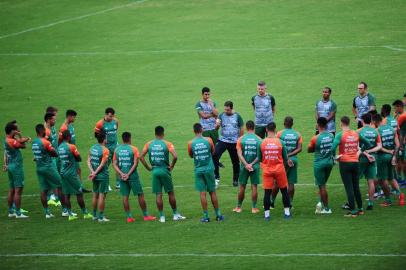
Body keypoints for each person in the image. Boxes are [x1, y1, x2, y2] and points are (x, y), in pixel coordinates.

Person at [140, 126, 186, 223]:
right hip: (165, 170)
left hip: (155, 171)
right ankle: (175, 214)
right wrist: (172, 166)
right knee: (170, 193)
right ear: (163, 133)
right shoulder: (167, 143)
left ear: (155, 133)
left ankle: (162, 217)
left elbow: (141, 157)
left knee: (158, 194)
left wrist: (148, 167)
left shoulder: (149, 144)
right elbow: (175, 156)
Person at [332, 116, 371, 217]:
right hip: (355, 162)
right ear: (348, 123)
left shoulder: (340, 135)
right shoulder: (355, 133)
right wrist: (360, 151)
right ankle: (361, 209)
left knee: (349, 187)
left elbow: (333, 148)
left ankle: (353, 211)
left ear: (341, 123)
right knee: (356, 186)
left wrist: (335, 157)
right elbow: (368, 143)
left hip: (345, 163)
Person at [112, 132, 156, 222]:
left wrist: (121, 173)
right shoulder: (134, 149)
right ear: (129, 138)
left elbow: (114, 164)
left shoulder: (117, 150)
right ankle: (146, 215)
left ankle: (129, 217)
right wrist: (128, 174)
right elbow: (135, 163)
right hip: (133, 176)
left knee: (125, 196)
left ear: (122, 139)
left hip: (122, 177)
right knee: (140, 194)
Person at [187, 123, 224, 222]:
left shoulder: (190, 143)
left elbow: (191, 155)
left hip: (198, 170)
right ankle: (218, 215)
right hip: (209, 169)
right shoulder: (209, 140)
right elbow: (213, 152)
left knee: (202, 193)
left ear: (194, 131)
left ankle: (206, 217)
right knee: (212, 192)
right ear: (202, 130)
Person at [260, 122, 293, 220]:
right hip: (279, 169)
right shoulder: (280, 142)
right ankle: (287, 213)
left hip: (267, 170)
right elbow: (285, 158)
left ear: (266, 129)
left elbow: (260, 158)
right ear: (275, 129)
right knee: (284, 191)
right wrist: (288, 162)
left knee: (267, 193)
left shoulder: (262, 142)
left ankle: (267, 215)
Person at [57, 130, 93, 221]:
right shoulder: (71, 146)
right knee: (79, 193)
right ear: (69, 137)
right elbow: (79, 158)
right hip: (71, 173)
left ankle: (70, 214)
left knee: (67, 194)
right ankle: (85, 213)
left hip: (63, 172)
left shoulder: (59, 147)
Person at [32, 124, 64, 219]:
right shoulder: (45, 142)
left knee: (44, 190)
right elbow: (55, 153)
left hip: (39, 168)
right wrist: (52, 150)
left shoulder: (34, 142)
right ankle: (65, 210)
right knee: (61, 185)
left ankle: (47, 213)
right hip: (48, 167)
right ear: (42, 131)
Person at [272, 116, 302, 207]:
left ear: (284, 123)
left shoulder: (279, 134)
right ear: (292, 124)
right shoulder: (298, 134)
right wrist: (291, 154)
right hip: (293, 160)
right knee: (291, 183)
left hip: (282, 161)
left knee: (277, 181)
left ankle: (271, 202)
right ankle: (290, 203)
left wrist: (286, 156)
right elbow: (300, 149)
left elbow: (277, 146)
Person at [373, 114, 402, 206]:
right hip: (392, 157)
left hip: (382, 157)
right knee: (391, 178)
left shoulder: (377, 131)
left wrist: (388, 151)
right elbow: (397, 144)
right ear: (381, 119)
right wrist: (394, 155)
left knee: (382, 180)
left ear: (374, 122)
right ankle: (400, 194)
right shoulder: (391, 129)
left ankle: (388, 200)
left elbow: (379, 147)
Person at [213, 101, 244, 187]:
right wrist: (217, 125)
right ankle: (216, 177)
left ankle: (235, 179)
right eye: (225, 109)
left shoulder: (237, 116)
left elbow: (241, 127)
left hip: (234, 142)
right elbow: (216, 128)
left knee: (235, 162)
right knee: (215, 155)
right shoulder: (221, 115)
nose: (226, 111)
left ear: (231, 108)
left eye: (228, 110)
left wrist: (239, 140)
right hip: (223, 140)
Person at [233, 120, 262, 214]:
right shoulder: (259, 139)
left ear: (246, 127)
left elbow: (239, 154)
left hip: (244, 167)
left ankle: (238, 207)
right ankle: (254, 208)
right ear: (254, 128)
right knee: (254, 186)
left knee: (242, 186)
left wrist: (246, 164)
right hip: (255, 166)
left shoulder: (241, 139)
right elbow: (259, 156)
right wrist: (252, 164)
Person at [3, 121, 30, 218]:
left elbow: (20, 142)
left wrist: (21, 138)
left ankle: (11, 211)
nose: (17, 130)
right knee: (18, 190)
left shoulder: (6, 140)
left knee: (12, 189)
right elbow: (23, 146)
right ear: (12, 131)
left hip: (10, 166)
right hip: (16, 167)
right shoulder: (11, 141)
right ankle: (18, 213)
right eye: (16, 129)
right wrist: (23, 137)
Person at [308, 117, 334, 214]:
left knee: (322, 186)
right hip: (329, 162)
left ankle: (327, 208)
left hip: (319, 164)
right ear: (326, 125)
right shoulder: (331, 135)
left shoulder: (315, 138)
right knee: (323, 184)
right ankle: (320, 203)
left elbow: (309, 149)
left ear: (318, 125)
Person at [357, 113, 382, 210]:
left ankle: (355, 202)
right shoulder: (375, 132)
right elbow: (379, 146)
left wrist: (365, 152)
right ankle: (370, 202)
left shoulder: (359, 131)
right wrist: (370, 152)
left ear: (362, 121)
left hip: (362, 158)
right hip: (373, 158)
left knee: (355, 180)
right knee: (371, 181)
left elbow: (356, 145)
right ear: (371, 121)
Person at [87, 130, 110, 222]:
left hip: (94, 176)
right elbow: (102, 164)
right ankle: (101, 217)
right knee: (101, 195)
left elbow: (88, 161)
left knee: (95, 195)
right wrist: (95, 173)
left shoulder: (92, 148)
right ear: (104, 139)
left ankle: (94, 215)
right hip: (102, 175)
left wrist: (92, 172)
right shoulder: (105, 150)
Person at [95, 107, 120, 189]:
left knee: (117, 164)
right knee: (105, 166)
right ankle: (106, 184)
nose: (111, 118)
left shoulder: (115, 121)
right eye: (110, 116)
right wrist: (103, 141)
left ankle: (118, 183)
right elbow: (96, 135)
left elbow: (116, 130)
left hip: (115, 147)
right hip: (106, 148)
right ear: (105, 115)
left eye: (112, 116)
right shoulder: (100, 123)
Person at [393, 99, 406, 187]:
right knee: (399, 161)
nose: (394, 109)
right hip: (400, 141)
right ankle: (400, 178)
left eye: (395, 107)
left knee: (402, 161)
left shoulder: (402, 116)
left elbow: (395, 128)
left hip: (401, 142)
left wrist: (401, 144)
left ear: (399, 107)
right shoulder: (401, 115)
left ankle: (403, 179)